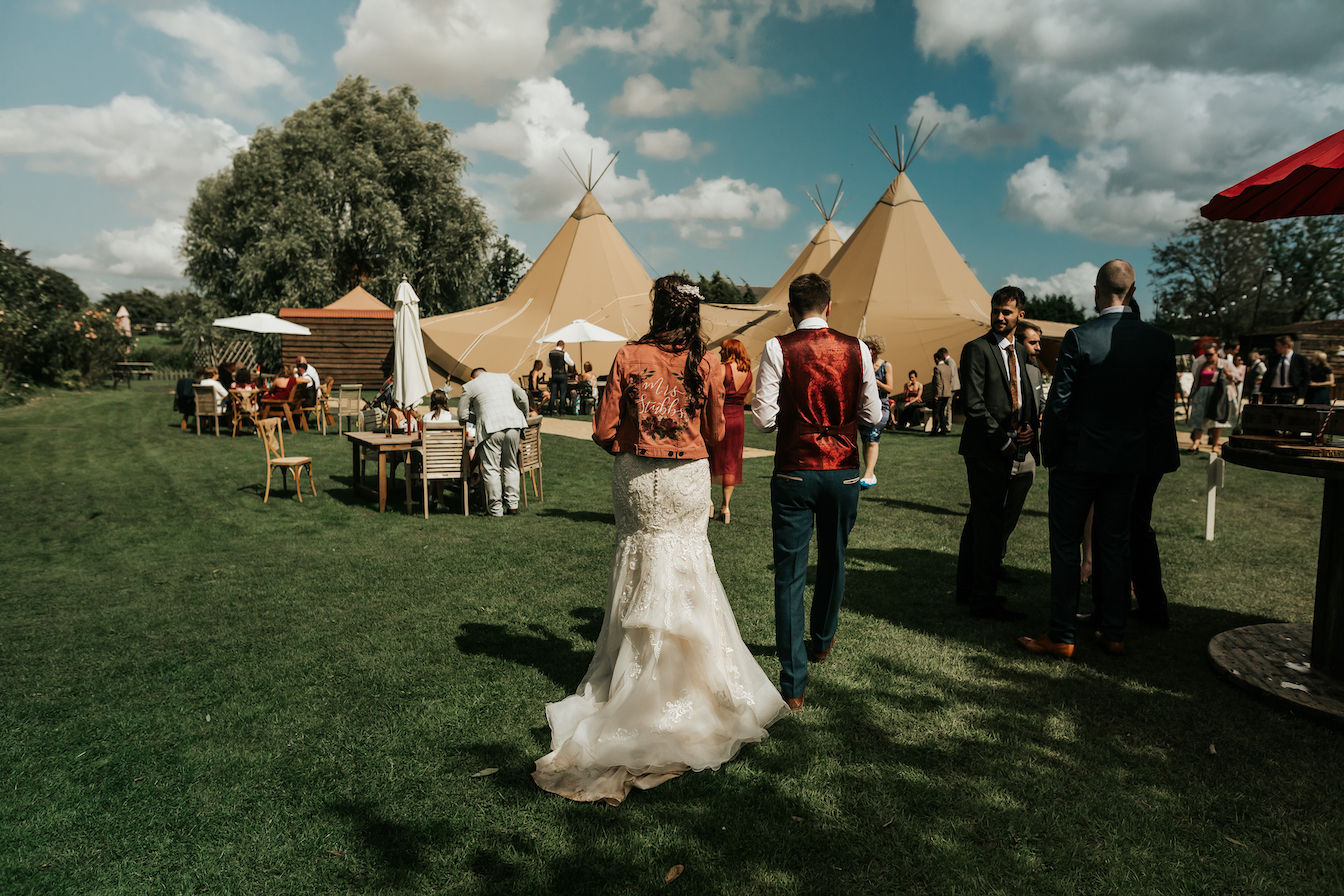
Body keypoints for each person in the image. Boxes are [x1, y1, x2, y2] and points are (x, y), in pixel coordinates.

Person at [533, 274, 788, 806]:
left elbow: (603, 431)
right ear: (693, 314)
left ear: (657, 309)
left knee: (639, 562)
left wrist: (637, 441)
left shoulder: (629, 357)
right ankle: (690, 680)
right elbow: (717, 434)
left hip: (636, 476)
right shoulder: (708, 363)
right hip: (688, 477)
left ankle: (636, 672)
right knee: (687, 564)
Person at [1019, 260, 1177, 659]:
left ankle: (1062, 633)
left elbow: (1059, 404)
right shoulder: (1160, 341)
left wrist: (1051, 453)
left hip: (1078, 459)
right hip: (1127, 462)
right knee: (1116, 544)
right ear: (1134, 291)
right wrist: (1143, 456)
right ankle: (1114, 631)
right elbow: (1161, 413)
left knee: (1065, 545)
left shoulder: (1080, 337)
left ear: (1095, 291)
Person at [752, 273, 883, 712]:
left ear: (791, 309)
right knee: (835, 557)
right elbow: (872, 412)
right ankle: (823, 641)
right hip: (844, 469)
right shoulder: (858, 348)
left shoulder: (777, 347)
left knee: (789, 576)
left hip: (794, 469)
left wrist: (795, 414)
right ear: (829, 307)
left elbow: (763, 420)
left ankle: (793, 685)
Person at [955, 286, 1036, 621]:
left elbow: (1023, 396)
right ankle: (982, 601)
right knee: (988, 525)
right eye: (996, 310)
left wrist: (1027, 428)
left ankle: (968, 590)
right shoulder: (977, 349)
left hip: (1011, 444)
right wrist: (1005, 443)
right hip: (986, 450)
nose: (1000, 317)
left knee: (980, 520)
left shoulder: (1019, 350)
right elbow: (973, 405)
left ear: (1021, 315)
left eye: (1007, 312)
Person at [999, 320, 1046, 584]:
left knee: (1013, 511)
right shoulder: (1004, 366)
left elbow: (1039, 406)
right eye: (1033, 342)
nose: (1038, 348)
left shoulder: (1035, 371)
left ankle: (998, 557)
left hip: (1027, 453)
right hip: (1002, 449)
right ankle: (985, 560)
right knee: (994, 509)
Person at [457, 367, 529, 517]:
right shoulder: (504, 376)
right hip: (514, 424)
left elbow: (462, 415)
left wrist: (478, 420)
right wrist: (523, 416)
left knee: (491, 469)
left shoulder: (469, 386)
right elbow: (522, 396)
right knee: (511, 465)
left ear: (472, 379)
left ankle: (495, 510)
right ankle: (513, 506)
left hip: (490, 428)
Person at [708, 337, 753, 522]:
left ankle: (708, 502)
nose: (720, 353)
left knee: (711, 458)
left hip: (721, 418)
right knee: (731, 462)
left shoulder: (722, 369)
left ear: (729, 351)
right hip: (739, 420)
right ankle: (725, 507)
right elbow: (748, 399)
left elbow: (713, 395)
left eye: (722, 350)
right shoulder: (749, 372)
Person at [859, 335, 894, 488]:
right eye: (867, 347)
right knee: (865, 440)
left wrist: (876, 381)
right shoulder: (862, 364)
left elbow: (890, 388)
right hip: (864, 405)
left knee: (873, 438)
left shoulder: (886, 365)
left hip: (881, 405)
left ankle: (867, 475)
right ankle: (870, 473)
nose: (870, 350)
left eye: (872, 347)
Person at [1187, 343, 1235, 453]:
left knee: (1215, 419)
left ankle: (1215, 445)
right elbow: (1196, 381)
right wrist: (1192, 394)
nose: (1208, 357)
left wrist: (1229, 374)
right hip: (1202, 393)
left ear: (1217, 353)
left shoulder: (1225, 364)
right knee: (1200, 418)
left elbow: (1236, 377)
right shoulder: (1201, 365)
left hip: (1217, 394)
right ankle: (1196, 443)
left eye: (1210, 354)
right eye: (1206, 355)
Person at [1260, 334, 1309, 404]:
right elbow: (1268, 374)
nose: (1276, 347)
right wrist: (1263, 390)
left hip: (1290, 391)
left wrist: (1301, 391)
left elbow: (1306, 376)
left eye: (1278, 345)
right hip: (1274, 391)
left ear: (1285, 346)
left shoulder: (1300, 359)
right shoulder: (1274, 359)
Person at [931, 350, 955, 435]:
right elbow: (950, 379)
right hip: (947, 393)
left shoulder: (937, 368)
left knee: (936, 412)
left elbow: (938, 383)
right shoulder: (948, 368)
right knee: (943, 412)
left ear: (937, 359)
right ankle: (943, 429)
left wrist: (937, 395)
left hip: (940, 393)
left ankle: (934, 429)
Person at [548, 340, 574, 414]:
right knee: (562, 393)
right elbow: (571, 363)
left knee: (553, 393)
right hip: (562, 374)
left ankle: (552, 411)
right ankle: (562, 411)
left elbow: (548, 363)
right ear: (563, 346)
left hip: (554, 374)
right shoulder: (564, 354)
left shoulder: (550, 353)